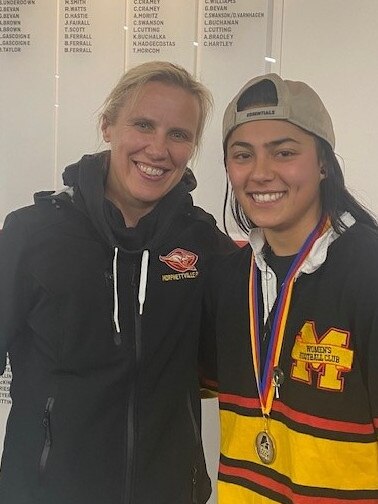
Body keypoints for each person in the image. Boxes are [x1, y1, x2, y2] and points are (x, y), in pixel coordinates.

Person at [0, 61, 235, 504]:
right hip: (43, 492)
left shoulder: (205, 245)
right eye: (143, 125)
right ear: (108, 126)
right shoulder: (31, 236)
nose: (158, 149)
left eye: (179, 134)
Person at [201, 73, 378, 502]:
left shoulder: (369, 270)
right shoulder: (227, 278)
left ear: (322, 163)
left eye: (283, 152)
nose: (261, 173)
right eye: (243, 155)